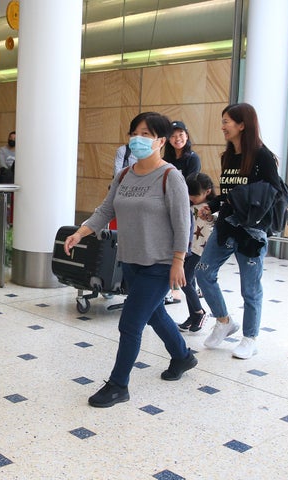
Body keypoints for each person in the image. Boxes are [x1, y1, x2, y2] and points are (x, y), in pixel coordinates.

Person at [64, 112, 195, 408]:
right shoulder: (124, 175)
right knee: (155, 314)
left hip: (160, 264)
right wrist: (80, 233)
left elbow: (183, 222)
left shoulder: (170, 176)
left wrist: (178, 261)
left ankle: (118, 385)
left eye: (146, 134)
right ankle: (183, 356)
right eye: (135, 132)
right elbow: (105, 210)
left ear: (161, 141)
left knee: (131, 322)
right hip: (131, 260)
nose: (138, 138)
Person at [195, 103, 283, 359]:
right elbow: (229, 193)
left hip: (252, 232)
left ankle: (250, 337)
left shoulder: (262, 156)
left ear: (242, 124)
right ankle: (224, 321)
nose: (222, 127)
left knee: (249, 287)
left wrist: (242, 200)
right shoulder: (229, 156)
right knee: (203, 273)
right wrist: (211, 205)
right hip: (227, 226)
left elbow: (273, 192)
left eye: (226, 122)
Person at [162, 120, 201, 305]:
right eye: (173, 135)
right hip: (166, 207)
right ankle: (174, 289)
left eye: (181, 134)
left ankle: (179, 290)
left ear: (186, 135)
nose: (177, 139)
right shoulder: (167, 160)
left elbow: (189, 185)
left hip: (184, 208)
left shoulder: (192, 158)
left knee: (182, 248)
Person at [177, 172, 216, 333]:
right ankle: (193, 315)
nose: (191, 197)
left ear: (207, 191)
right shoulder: (189, 205)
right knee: (188, 282)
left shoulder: (214, 206)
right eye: (189, 193)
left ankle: (199, 313)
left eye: (195, 194)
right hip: (187, 248)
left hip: (201, 250)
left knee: (184, 279)